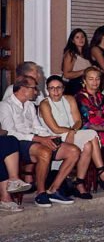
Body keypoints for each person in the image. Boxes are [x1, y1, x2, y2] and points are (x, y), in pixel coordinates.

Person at [0, 77, 79, 207]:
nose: (36, 92)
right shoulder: (5, 105)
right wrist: (40, 139)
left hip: (35, 139)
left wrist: (49, 137)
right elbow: (10, 132)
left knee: (73, 151)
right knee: (45, 151)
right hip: (18, 143)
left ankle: (53, 189)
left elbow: (37, 127)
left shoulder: (30, 105)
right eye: (34, 88)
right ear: (24, 89)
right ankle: (40, 193)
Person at [38, 75, 104, 198]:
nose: (55, 91)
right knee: (91, 134)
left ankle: (80, 183)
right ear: (47, 90)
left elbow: (78, 121)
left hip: (73, 133)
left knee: (87, 146)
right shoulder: (44, 104)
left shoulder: (69, 99)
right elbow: (54, 128)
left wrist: (72, 131)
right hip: (54, 137)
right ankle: (101, 171)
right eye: (52, 88)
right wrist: (71, 131)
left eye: (59, 88)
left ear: (63, 88)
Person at [61, 28, 94, 96]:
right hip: (74, 87)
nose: (81, 39)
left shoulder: (86, 54)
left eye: (82, 37)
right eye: (77, 37)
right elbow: (66, 74)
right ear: (72, 40)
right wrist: (86, 70)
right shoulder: (71, 53)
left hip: (86, 86)